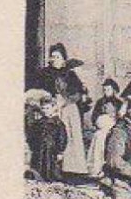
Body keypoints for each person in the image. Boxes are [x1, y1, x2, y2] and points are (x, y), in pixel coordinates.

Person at [32, 43, 90, 177]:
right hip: (50, 107)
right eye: (52, 57)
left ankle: (74, 167)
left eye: (58, 57)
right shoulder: (44, 73)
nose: (54, 59)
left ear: (63, 59)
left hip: (68, 106)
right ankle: (54, 168)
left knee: (71, 129)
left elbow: (78, 93)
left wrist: (65, 101)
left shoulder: (70, 74)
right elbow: (37, 92)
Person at [24, 90, 68, 181]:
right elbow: (32, 134)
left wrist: (60, 151)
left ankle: (51, 180)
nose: (45, 111)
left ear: (53, 108)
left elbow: (62, 138)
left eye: (47, 108)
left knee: (51, 167)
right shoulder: (39, 122)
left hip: (52, 150)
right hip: (40, 149)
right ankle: (39, 179)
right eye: (43, 109)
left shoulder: (58, 123)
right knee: (39, 165)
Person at [87, 79, 123, 175]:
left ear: (114, 90)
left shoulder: (119, 103)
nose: (106, 92)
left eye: (108, 90)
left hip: (114, 129)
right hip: (102, 129)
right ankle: (96, 168)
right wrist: (98, 121)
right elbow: (94, 116)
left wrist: (114, 122)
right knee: (98, 138)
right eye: (104, 90)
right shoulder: (100, 102)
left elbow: (121, 118)